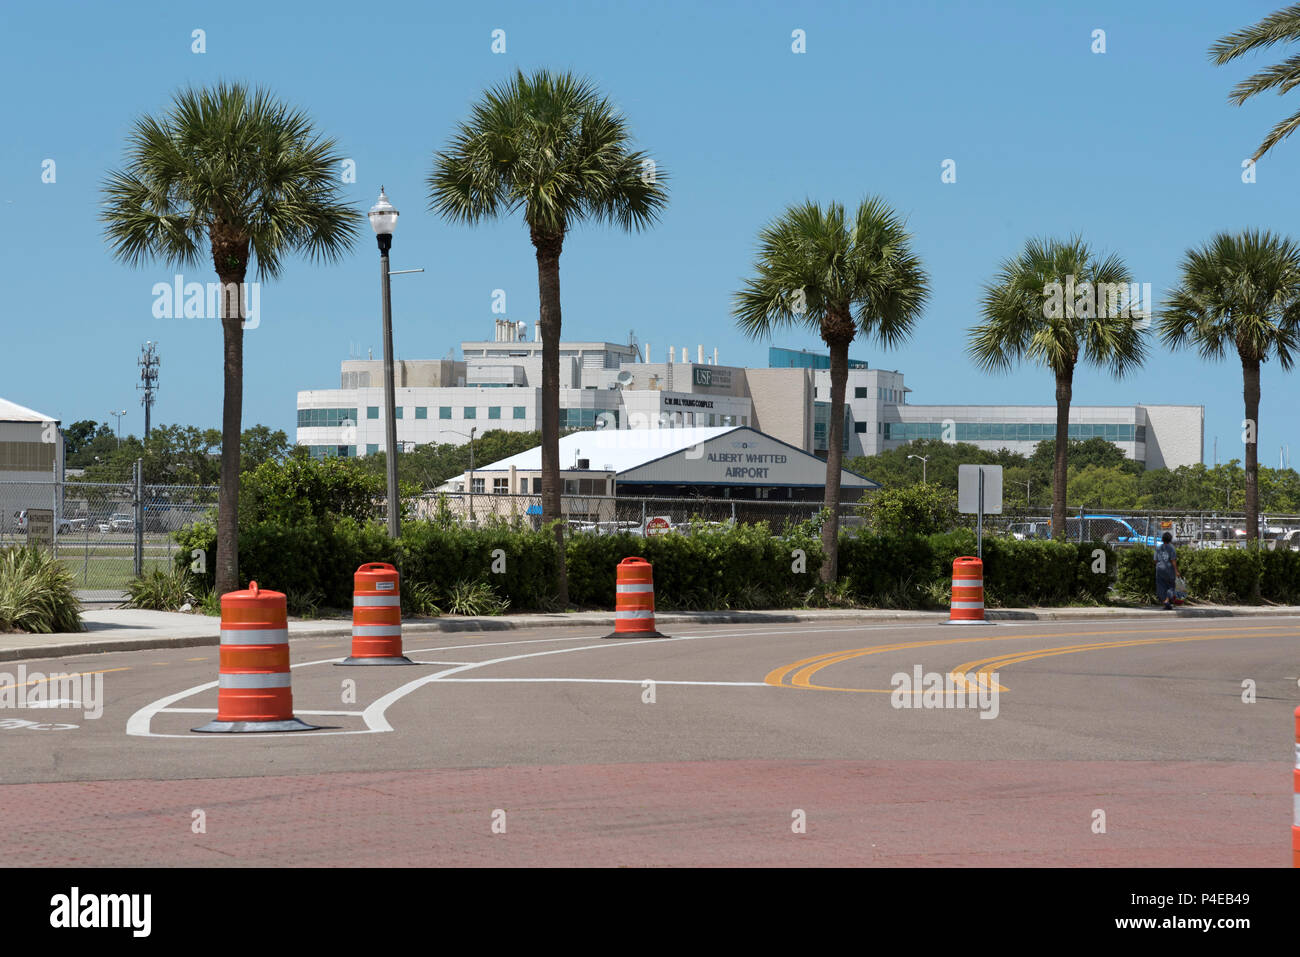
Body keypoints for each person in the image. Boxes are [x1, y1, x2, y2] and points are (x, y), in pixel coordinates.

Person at [1154, 531, 1179, 610]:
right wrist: (1176, 571)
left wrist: (1158, 565)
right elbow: (1173, 560)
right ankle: (1167, 601)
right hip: (1169, 569)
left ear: (1162, 539)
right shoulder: (1171, 548)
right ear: (1170, 539)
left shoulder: (1158, 548)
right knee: (1171, 586)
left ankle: (1165, 601)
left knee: (1161, 586)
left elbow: (1155, 560)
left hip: (1159, 569)